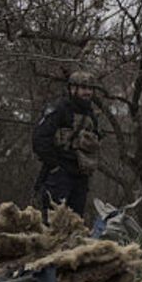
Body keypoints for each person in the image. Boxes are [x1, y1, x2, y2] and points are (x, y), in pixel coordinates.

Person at [32, 70, 102, 218]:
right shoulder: (59, 109)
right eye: (83, 88)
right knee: (53, 221)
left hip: (81, 175)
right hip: (60, 174)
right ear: (72, 89)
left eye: (90, 89)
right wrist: (55, 166)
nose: (87, 92)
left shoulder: (91, 115)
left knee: (75, 222)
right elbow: (40, 139)